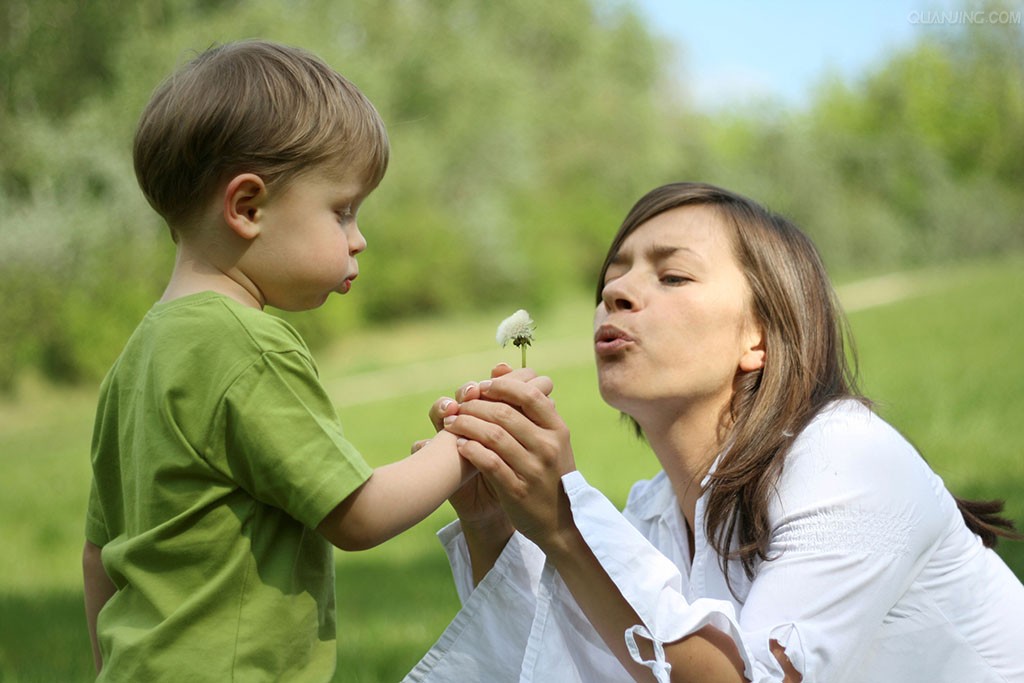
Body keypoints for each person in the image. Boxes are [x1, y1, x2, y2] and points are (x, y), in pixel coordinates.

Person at [405, 182, 1024, 682]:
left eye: (672, 277)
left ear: (758, 336)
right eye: (609, 281)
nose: (616, 292)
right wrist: (494, 522)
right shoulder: (653, 511)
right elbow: (570, 670)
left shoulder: (849, 460)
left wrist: (567, 524)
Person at [82, 40, 549, 682]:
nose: (359, 239)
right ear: (248, 207)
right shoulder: (247, 343)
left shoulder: (138, 356)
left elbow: (97, 552)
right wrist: (469, 439)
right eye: (342, 210)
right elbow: (358, 514)